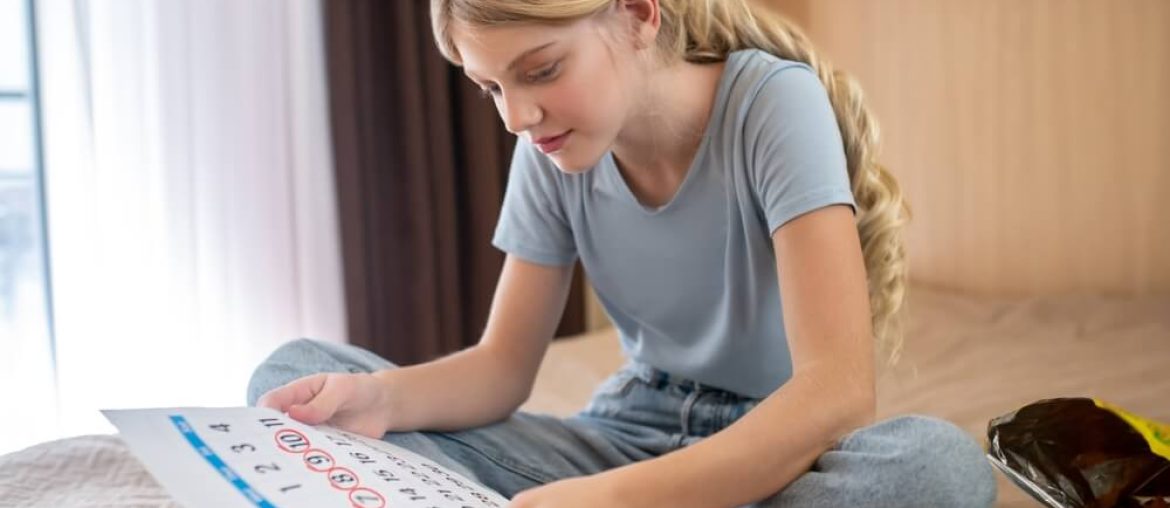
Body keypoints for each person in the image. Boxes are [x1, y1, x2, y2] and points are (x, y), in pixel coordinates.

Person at [248, 0, 997, 506]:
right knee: (295, 376)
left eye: (540, 71)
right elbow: (501, 369)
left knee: (937, 468)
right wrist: (379, 400)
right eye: (490, 88)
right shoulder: (545, 152)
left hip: (776, 459)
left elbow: (836, 394)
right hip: (625, 436)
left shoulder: (774, 105)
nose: (517, 116)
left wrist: (599, 502)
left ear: (639, 12)